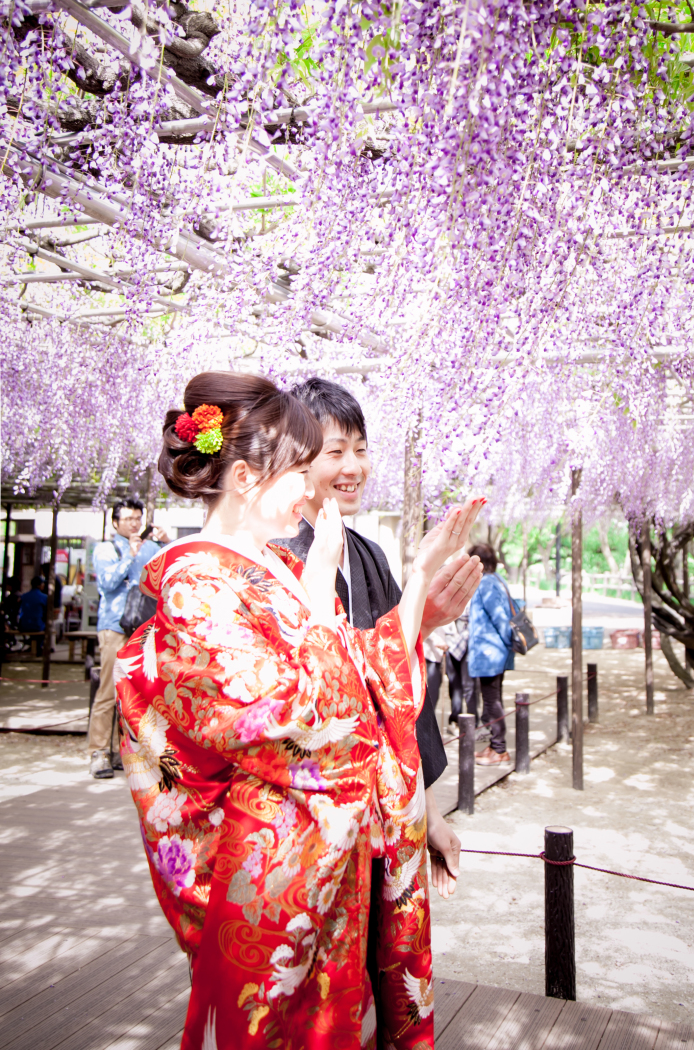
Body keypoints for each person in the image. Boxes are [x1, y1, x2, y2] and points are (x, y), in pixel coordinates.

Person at [115, 371, 482, 1050]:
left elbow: (361, 672)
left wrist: (417, 591)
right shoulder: (197, 583)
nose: (311, 486)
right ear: (246, 478)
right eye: (300, 469)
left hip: (328, 862)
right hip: (270, 872)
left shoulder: (275, 568)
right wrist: (319, 604)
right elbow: (292, 722)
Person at [275, 376, 483, 903]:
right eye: (336, 452)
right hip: (311, 822)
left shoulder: (367, 554)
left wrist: (429, 813)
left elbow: (398, 689)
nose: (354, 467)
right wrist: (419, 594)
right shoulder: (274, 558)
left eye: (361, 450)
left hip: (383, 813)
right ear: (297, 459)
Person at [88, 498, 169, 779]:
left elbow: (170, 571)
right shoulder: (106, 549)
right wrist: (129, 557)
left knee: (137, 693)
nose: (135, 524)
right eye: (128, 519)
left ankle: (123, 751)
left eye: (138, 518)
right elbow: (106, 583)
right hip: (114, 626)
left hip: (142, 627)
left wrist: (167, 543)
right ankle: (99, 751)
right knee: (108, 690)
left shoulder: (151, 547)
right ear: (115, 523)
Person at [467, 543, 516, 766]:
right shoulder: (497, 579)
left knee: (492, 700)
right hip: (494, 651)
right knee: (493, 699)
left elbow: (499, 617)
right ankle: (494, 745)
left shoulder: (486, 583)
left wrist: (507, 642)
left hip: (490, 653)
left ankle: (499, 749)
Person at [17, 575, 48, 655]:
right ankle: (39, 647)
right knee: (45, 625)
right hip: (37, 626)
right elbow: (46, 613)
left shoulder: (24, 596)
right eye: (42, 584)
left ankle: (32, 645)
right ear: (39, 585)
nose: (44, 585)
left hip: (23, 625)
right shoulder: (44, 597)